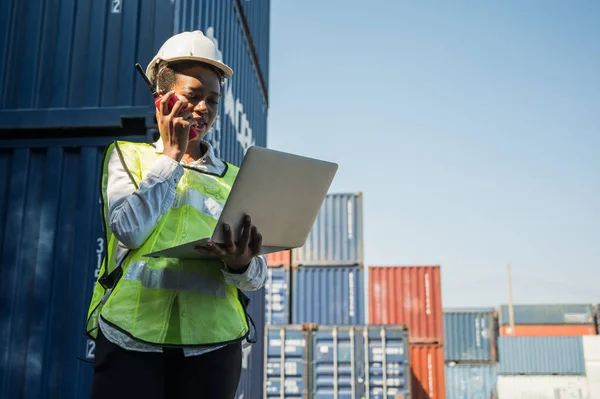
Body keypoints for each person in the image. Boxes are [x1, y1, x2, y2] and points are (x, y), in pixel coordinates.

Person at [85, 30, 267, 399]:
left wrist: (239, 264)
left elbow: (256, 277)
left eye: (212, 101)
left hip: (213, 349)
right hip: (130, 341)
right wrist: (170, 158)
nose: (203, 109)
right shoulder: (127, 157)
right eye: (192, 96)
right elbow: (129, 231)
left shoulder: (236, 178)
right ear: (161, 99)